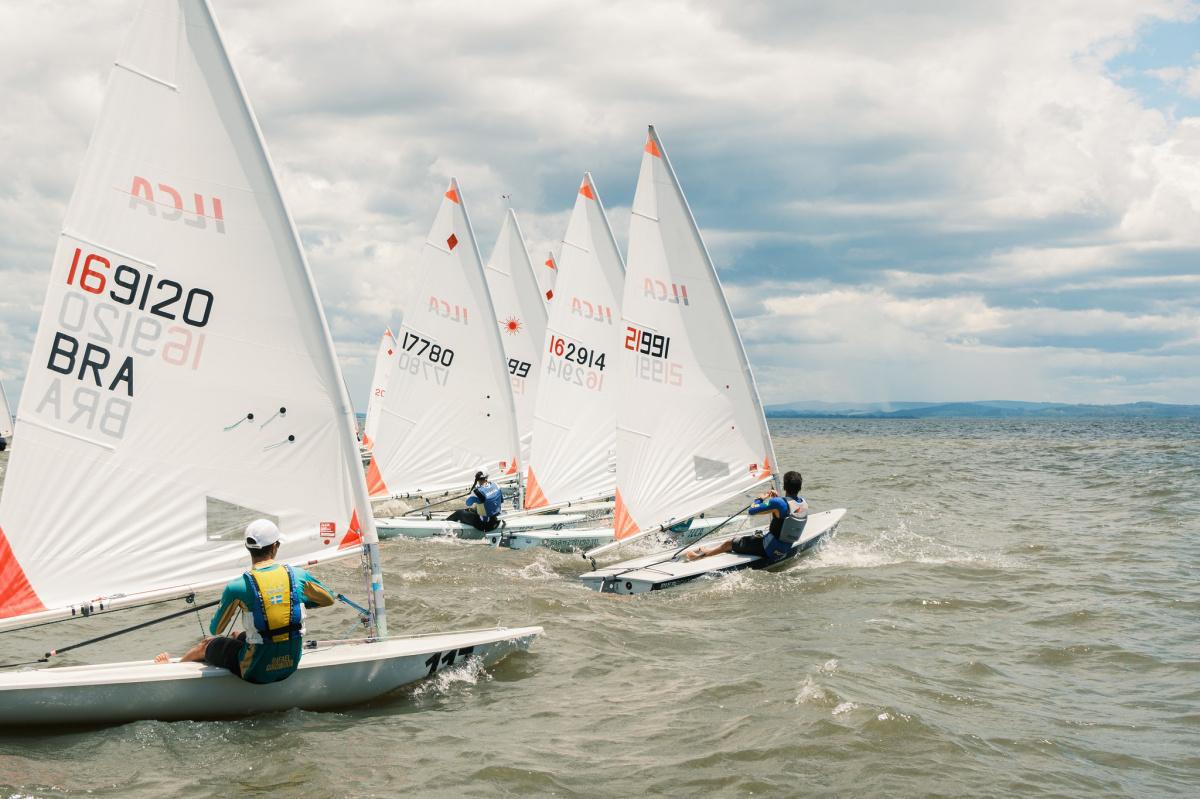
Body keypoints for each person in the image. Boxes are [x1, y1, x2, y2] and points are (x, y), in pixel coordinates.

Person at [154, 518, 335, 683]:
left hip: (255, 671)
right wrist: (295, 601)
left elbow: (215, 629)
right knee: (237, 635)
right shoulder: (298, 575)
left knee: (206, 644)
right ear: (275, 546)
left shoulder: (237, 586)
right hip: (290, 664)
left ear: (248, 548)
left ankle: (171, 671)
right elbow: (328, 600)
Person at [684, 471, 809, 562]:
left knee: (729, 543)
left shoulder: (778, 503)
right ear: (800, 487)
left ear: (784, 486)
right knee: (757, 535)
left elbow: (752, 510)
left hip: (768, 549)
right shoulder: (803, 504)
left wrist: (761, 498)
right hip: (785, 547)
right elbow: (784, 514)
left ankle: (702, 556)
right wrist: (775, 500)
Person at [445, 469, 504, 533]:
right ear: (486, 477)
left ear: (477, 479)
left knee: (459, 513)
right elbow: (501, 501)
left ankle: (444, 525)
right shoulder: (496, 485)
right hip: (497, 522)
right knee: (470, 510)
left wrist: (474, 490)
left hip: (485, 526)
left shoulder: (477, 492)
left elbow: (468, 503)